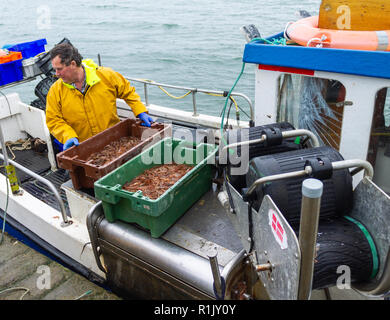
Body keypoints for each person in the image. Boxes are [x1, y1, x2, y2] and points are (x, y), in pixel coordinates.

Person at [45, 42, 153, 151]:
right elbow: (53, 120)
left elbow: (128, 91)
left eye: (59, 69)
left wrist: (140, 111)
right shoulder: (55, 91)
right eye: (55, 69)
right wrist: (68, 136)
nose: (56, 74)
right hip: (83, 147)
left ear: (73, 64)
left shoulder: (106, 75)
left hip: (115, 142)